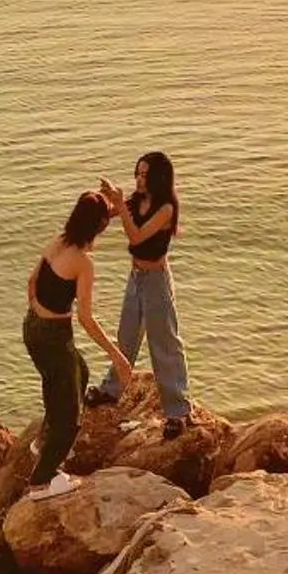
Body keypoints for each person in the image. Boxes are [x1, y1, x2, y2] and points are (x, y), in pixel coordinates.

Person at [24, 189, 135, 499]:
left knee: (77, 375)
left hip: (32, 327)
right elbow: (86, 317)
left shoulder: (59, 242)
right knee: (70, 415)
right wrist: (119, 357)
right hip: (54, 336)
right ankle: (42, 480)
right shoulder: (83, 263)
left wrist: (116, 206)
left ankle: (42, 442)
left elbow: (31, 282)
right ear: (98, 227)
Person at [86, 151, 192, 439]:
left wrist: (121, 206)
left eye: (145, 174)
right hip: (136, 277)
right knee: (126, 336)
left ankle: (178, 410)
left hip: (156, 281)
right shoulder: (135, 201)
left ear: (158, 177)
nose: (139, 179)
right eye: (137, 173)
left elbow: (137, 237)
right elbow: (107, 215)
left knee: (165, 343)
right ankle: (111, 390)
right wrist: (104, 202)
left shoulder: (166, 208)